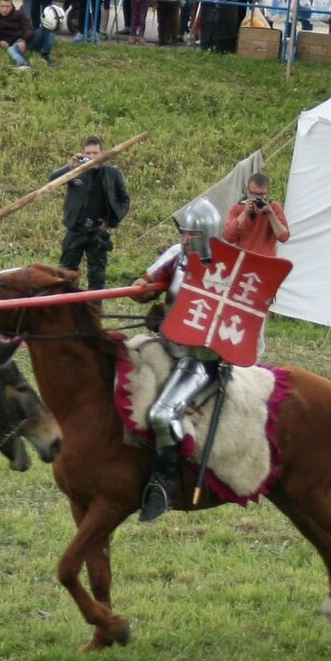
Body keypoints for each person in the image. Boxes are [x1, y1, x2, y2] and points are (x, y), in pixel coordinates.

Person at [128, 198, 225, 522]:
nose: (185, 239)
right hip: (166, 343)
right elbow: (145, 285)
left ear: (205, 233)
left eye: (191, 234)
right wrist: (142, 289)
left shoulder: (226, 266)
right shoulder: (176, 255)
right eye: (183, 232)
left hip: (199, 356)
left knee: (161, 413)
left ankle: (164, 485)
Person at [50, 136, 131, 293]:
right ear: (82, 153)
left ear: (103, 153)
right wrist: (69, 167)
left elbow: (124, 200)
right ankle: (67, 309)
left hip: (98, 231)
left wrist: (111, 221)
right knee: (66, 273)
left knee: (97, 275)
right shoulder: (75, 171)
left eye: (95, 153)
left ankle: (94, 311)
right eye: (88, 153)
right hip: (76, 229)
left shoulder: (111, 173)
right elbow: (52, 181)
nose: (92, 157)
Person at [222, 172, 289, 258]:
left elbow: (284, 237)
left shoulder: (274, 207)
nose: (257, 199)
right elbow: (228, 237)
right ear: (247, 190)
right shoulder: (237, 208)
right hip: (243, 261)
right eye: (253, 194)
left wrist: (270, 214)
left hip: (265, 262)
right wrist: (245, 213)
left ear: (267, 191)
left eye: (261, 195)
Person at [0, 0, 53, 69]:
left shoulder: (19, 14)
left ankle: (45, 55)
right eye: (2, 6)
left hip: (28, 40)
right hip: (14, 46)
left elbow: (29, 29)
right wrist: (0, 41)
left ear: (12, 6)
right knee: (11, 50)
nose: (5, 9)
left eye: (7, 6)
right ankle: (24, 65)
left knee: (50, 27)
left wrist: (23, 40)